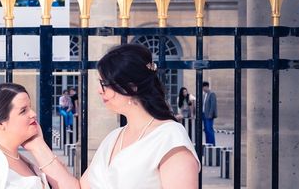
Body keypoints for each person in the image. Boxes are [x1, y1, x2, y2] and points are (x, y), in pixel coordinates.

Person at [25, 44, 200, 189]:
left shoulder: (170, 139)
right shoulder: (114, 138)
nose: (99, 91)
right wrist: (37, 146)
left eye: (104, 84)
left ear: (131, 87)